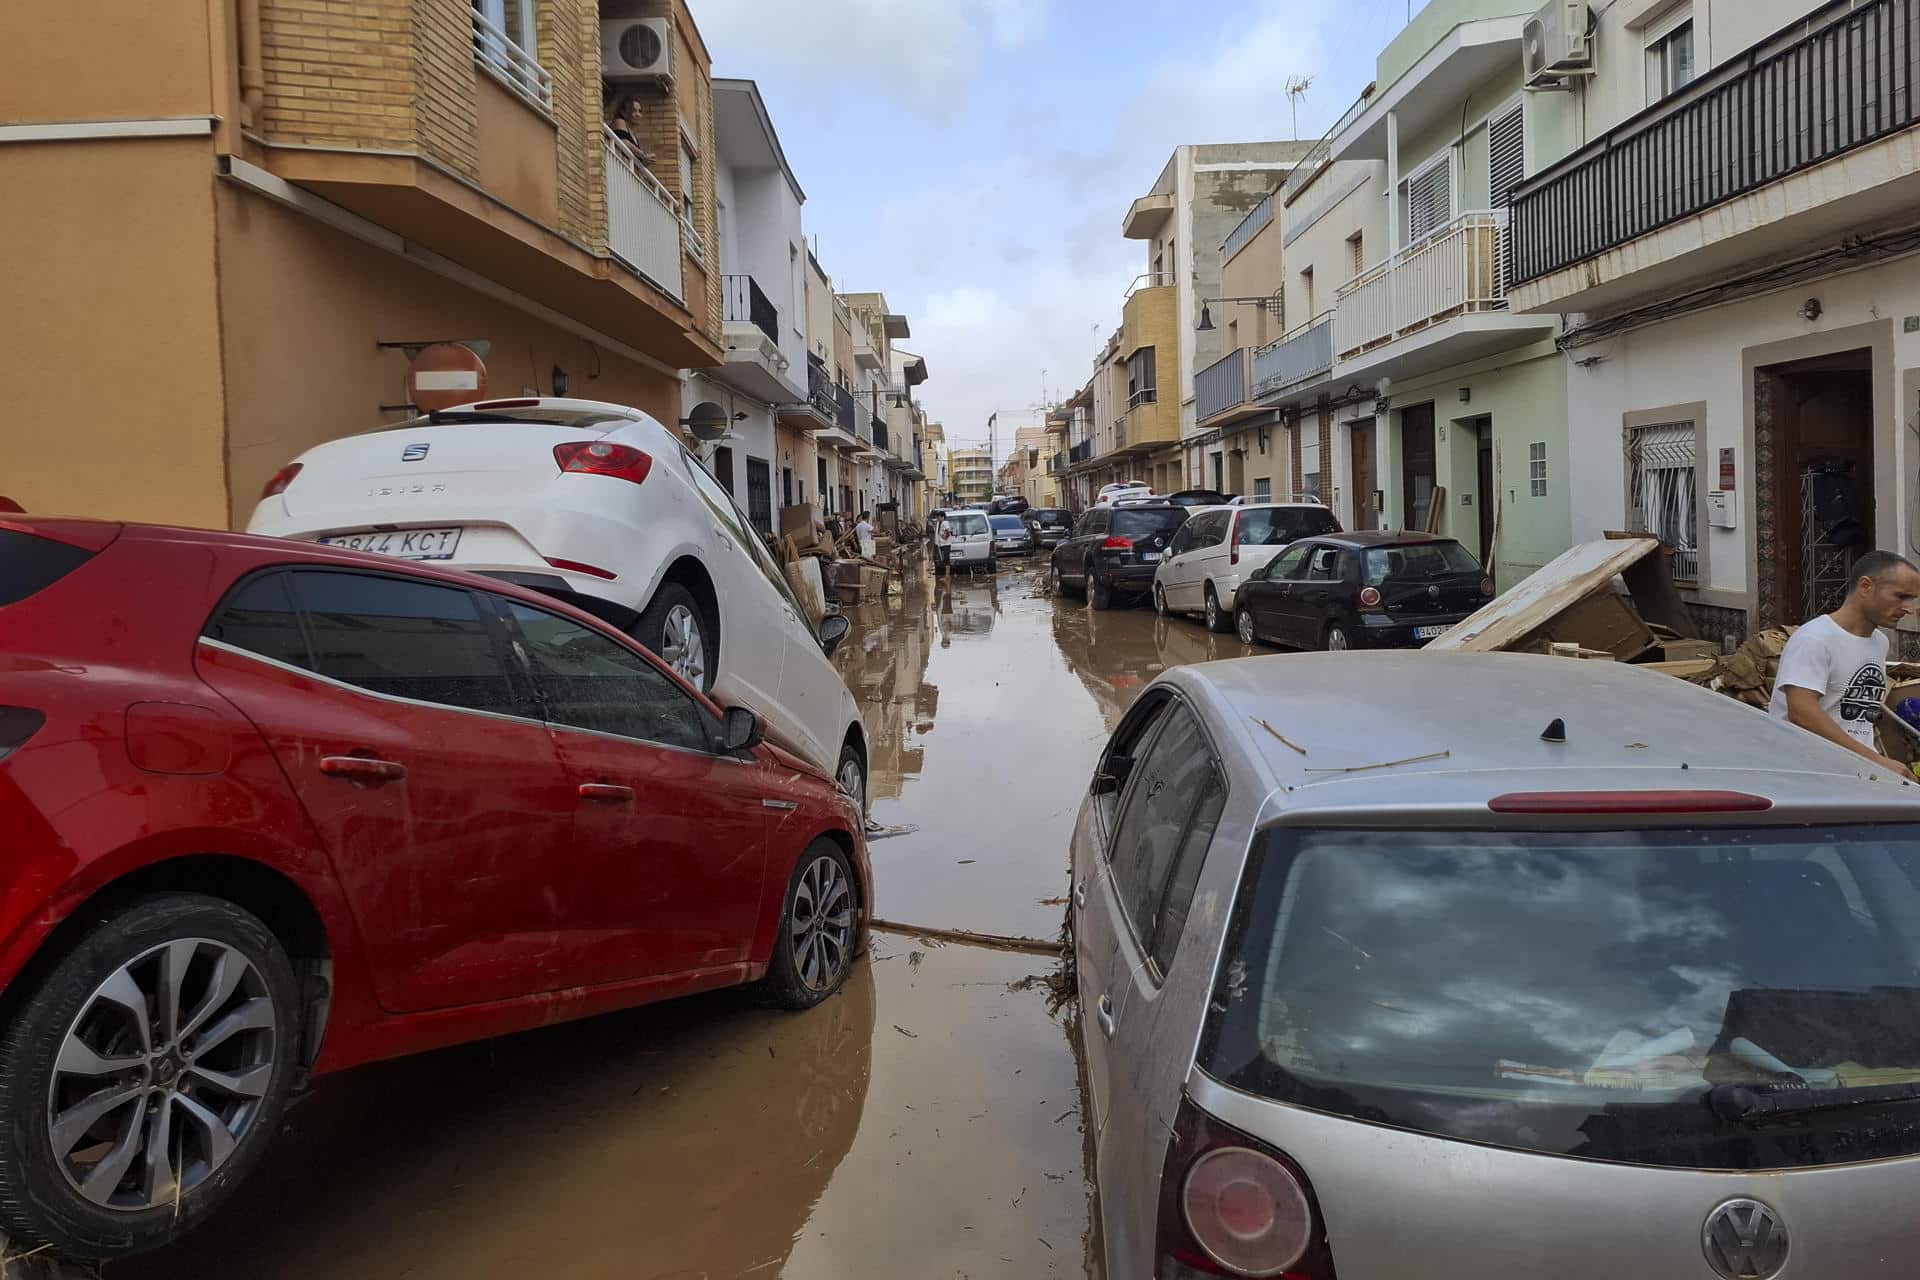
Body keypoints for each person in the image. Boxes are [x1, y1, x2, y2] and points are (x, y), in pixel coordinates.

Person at [1770, 549, 1920, 774]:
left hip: (1855, 772)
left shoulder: (1879, 642)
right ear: (1866, 586)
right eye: (1901, 596)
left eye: (1912, 599)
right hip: (1806, 773)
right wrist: (1876, 761)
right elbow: (1801, 712)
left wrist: (1872, 761)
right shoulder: (1815, 638)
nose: (1908, 608)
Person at [604, 96, 656, 170]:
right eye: (634, 110)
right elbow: (624, 142)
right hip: (615, 167)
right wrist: (644, 155)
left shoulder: (634, 136)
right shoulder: (619, 121)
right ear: (623, 112)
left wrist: (645, 161)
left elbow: (636, 159)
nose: (638, 114)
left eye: (640, 111)